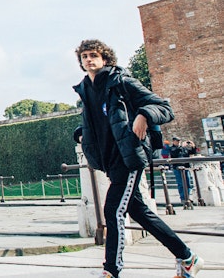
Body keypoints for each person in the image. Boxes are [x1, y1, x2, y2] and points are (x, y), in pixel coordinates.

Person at [71, 39, 203, 278]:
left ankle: (111, 271)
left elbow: (164, 108)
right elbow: (102, 121)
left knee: (113, 210)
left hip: (128, 156)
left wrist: (143, 115)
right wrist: (82, 133)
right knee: (139, 211)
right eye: (85, 56)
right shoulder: (85, 89)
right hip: (109, 159)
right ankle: (187, 257)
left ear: (105, 59)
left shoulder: (121, 81)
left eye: (93, 55)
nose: (89, 60)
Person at [169, 136, 195, 203]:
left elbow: (192, 152)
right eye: (177, 141)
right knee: (181, 184)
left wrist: (193, 146)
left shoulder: (184, 149)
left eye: (179, 141)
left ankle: (188, 197)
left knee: (188, 183)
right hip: (177, 168)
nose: (178, 142)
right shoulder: (172, 148)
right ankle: (183, 198)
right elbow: (175, 153)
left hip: (186, 167)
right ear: (173, 141)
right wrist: (181, 147)